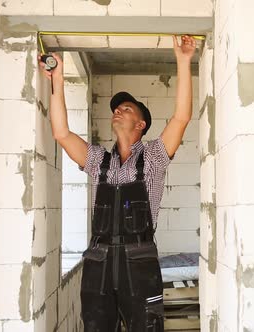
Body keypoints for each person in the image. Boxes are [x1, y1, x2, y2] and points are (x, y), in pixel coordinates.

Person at [38, 35, 197, 331]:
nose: (118, 110)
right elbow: (61, 133)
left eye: (127, 109)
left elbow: (181, 117)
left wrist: (184, 60)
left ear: (141, 125)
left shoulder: (153, 157)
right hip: (97, 262)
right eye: (117, 107)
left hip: (139, 263)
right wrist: (56, 80)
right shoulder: (99, 160)